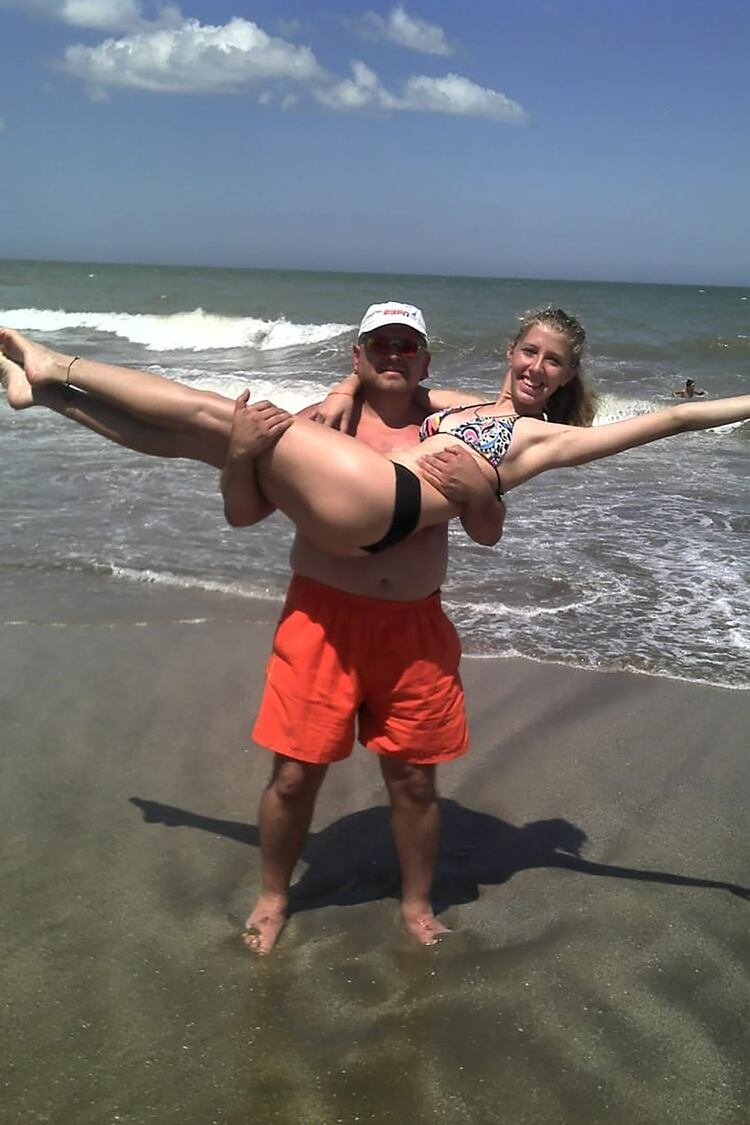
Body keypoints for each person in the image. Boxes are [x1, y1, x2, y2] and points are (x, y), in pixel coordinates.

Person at [0, 301, 513, 953]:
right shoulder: (321, 424)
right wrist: (242, 456)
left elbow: (488, 530)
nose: (392, 355)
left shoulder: (450, 428)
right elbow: (243, 513)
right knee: (295, 775)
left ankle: (417, 905)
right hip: (322, 621)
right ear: (356, 356)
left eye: (406, 346)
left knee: (414, 782)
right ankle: (273, 896)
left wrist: (482, 489)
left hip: (415, 632)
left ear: (424, 361)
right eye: (378, 345)